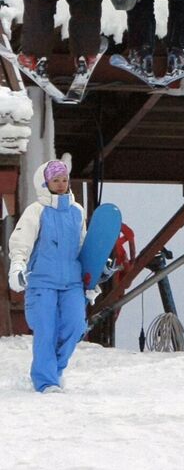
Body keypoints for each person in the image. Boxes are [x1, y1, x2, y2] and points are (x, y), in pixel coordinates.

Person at [6, 156, 97, 392]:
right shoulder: (36, 211)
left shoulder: (77, 211)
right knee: (45, 328)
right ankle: (45, 380)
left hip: (72, 283)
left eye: (64, 179)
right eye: (55, 179)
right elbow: (21, 241)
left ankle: (54, 369)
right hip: (42, 281)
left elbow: (83, 246)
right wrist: (17, 266)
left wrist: (93, 277)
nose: (60, 184)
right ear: (45, 183)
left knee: (75, 326)